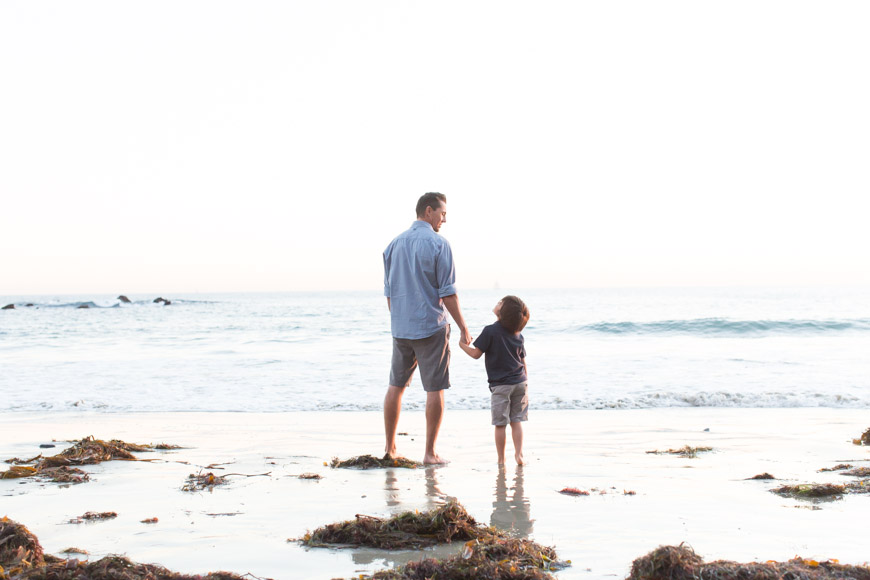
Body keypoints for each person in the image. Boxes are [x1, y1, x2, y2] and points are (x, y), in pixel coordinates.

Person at [383, 192, 471, 465]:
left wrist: (400, 318)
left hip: (401, 328)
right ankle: (430, 453)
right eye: (442, 213)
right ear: (429, 211)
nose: (445, 219)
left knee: (395, 386)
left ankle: (390, 448)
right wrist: (464, 329)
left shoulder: (393, 244)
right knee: (435, 389)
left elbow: (389, 292)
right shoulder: (438, 244)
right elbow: (448, 293)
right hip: (431, 327)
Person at [458, 296, 530, 465]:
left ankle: (501, 459)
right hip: (521, 382)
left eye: (500, 302)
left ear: (502, 311)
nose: (497, 303)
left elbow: (476, 354)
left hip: (501, 385)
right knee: (516, 421)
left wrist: (462, 345)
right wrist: (526, 381)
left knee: (500, 424)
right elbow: (523, 360)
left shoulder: (490, 331)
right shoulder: (518, 334)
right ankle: (519, 456)